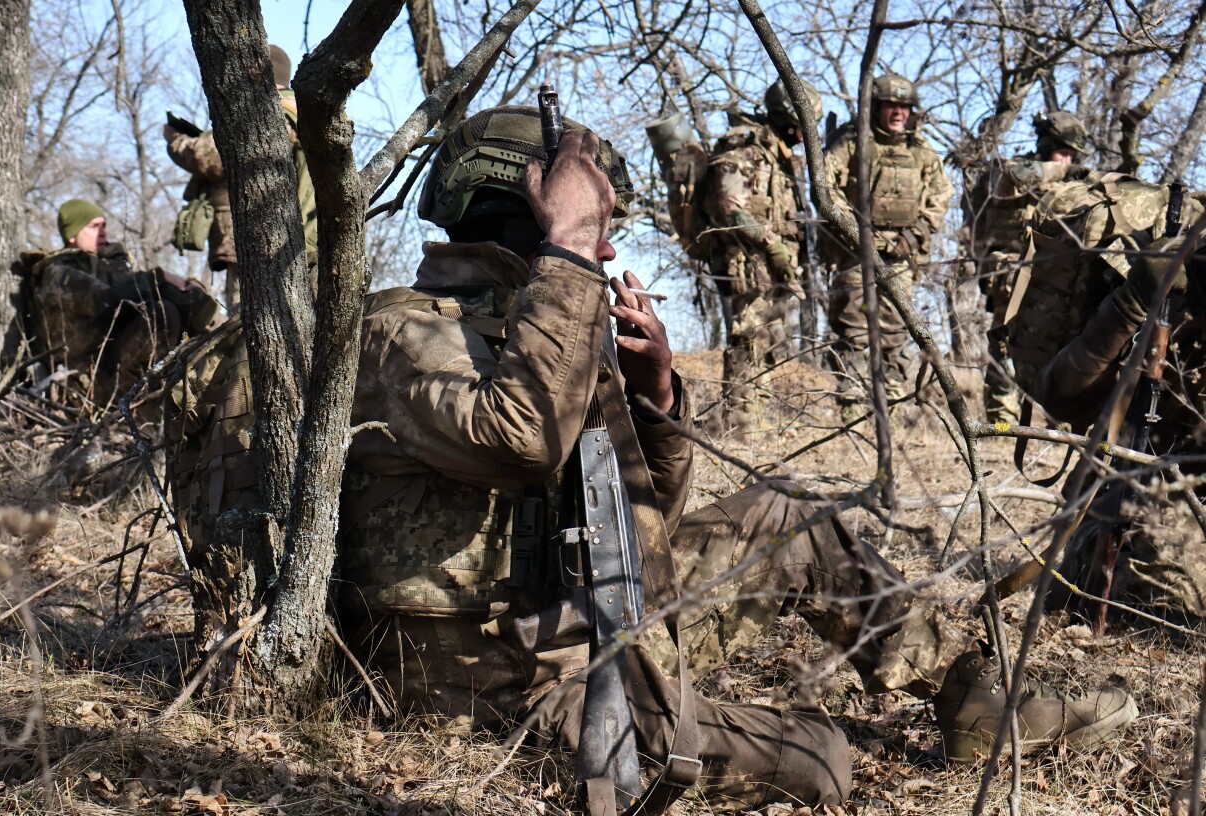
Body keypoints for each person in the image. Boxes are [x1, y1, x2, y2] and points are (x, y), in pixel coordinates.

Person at [320, 104, 1135, 809]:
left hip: (596, 618)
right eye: (592, 223)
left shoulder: (548, 324)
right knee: (826, 760)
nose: (605, 251)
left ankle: (974, 703)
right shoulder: (405, 331)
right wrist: (565, 252)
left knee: (792, 515)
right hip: (499, 686)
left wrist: (656, 399)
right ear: (528, 213)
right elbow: (520, 437)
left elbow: (650, 525)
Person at [1038, 236, 1206, 622]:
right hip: (1131, 508)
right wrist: (1130, 304)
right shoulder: (1176, 280)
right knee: (1162, 585)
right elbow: (1059, 395)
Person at [824, 73, 952, 421]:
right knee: (853, 329)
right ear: (878, 108)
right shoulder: (852, 143)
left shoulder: (922, 151)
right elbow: (825, 187)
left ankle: (892, 406)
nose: (898, 113)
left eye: (904, 107)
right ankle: (851, 407)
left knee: (895, 331)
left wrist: (913, 237)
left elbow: (941, 196)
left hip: (901, 256)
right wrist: (855, 232)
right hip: (855, 254)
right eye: (891, 106)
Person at [694, 78, 819, 421]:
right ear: (789, 117)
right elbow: (728, 205)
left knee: (771, 342)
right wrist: (773, 244)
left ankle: (759, 418)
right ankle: (741, 422)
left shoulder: (779, 156)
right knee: (749, 340)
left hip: (773, 263)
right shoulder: (744, 147)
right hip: (748, 261)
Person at [163, 44, 317, 306]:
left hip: (268, 248)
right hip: (309, 242)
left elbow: (209, 156)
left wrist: (175, 140)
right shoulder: (307, 113)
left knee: (245, 333)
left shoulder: (267, 114)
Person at [964, 111, 1093, 425]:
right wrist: (1064, 171)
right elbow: (1014, 178)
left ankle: (1057, 417)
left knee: (1060, 347)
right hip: (1012, 277)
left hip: (1057, 279)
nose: (1068, 160)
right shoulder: (1015, 169)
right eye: (1064, 152)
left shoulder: (1075, 185)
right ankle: (1001, 417)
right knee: (1007, 343)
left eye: (1073, 155)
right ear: (1048, 146)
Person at [28, 198, 216, 405]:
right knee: (161, 314)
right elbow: (103, 301)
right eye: (93, 226)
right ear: (72, 234)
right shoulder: (58, 273)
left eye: (104, 225)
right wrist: (159, 278)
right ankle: (145, 402)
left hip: (113, 366)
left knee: (180, 310)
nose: (103, 232)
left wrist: (185, 287)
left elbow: (131, 293)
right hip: (87, 382)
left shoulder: (111, 265)